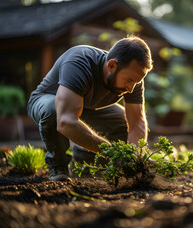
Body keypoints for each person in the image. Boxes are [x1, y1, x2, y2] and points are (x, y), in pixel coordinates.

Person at [27, 36, 153, 181]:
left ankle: (86, 168)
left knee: (122, 122)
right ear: (112, 65)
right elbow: (66, 122)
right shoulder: (80, 61)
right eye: (129, 80)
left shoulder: (132, 78)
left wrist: (136, 159)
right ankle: (58, 166)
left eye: (136, 82)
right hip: (47, 101)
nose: (131, 89)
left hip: (87, 108)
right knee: (54, 111)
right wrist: (111, 152)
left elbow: (137, 123)